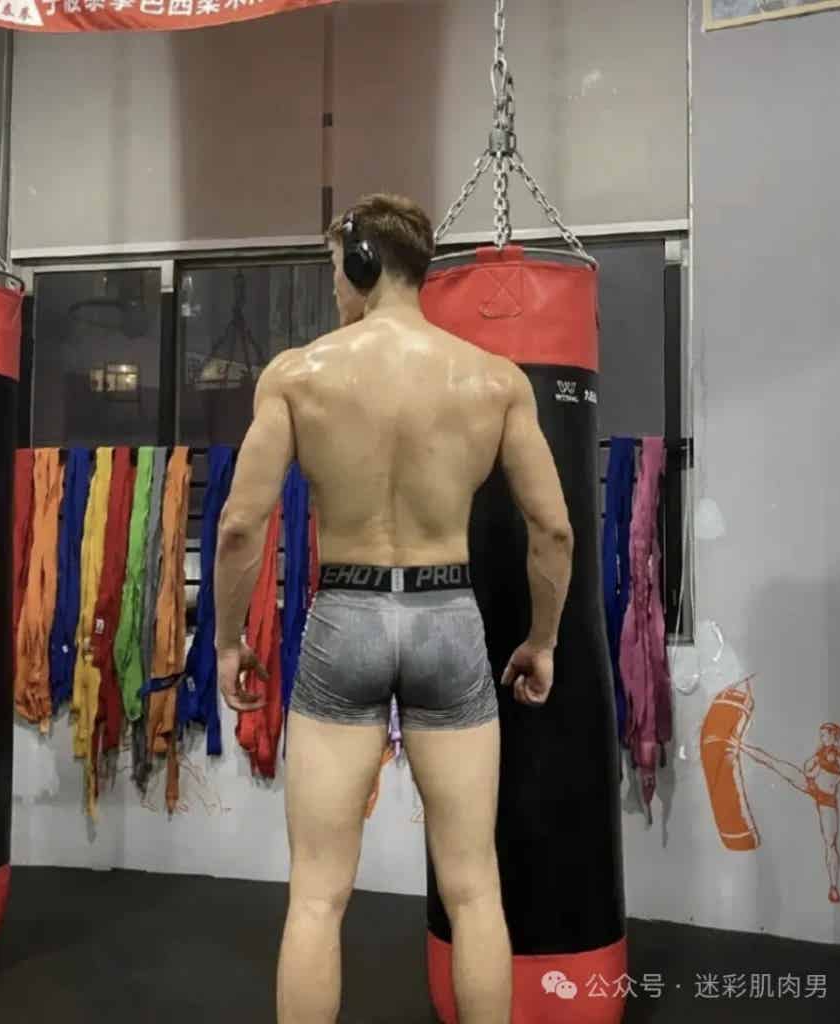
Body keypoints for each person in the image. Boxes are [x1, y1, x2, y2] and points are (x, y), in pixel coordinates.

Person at [214, 193, 574, 1024]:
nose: (334, 287)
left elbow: (238, 526)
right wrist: (544, 640)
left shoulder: (299, 375)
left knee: (317, 895)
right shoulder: (496, 381)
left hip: (348, 614)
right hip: (449, 617)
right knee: (474, 889)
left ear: (362, 264)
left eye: (336, 269)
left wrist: (229, 641)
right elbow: (554, 529)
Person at [738, 722, 840, 904]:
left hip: (827, 799)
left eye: (824, 735)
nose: (821, 739)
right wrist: (817, 763)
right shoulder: (821, 751)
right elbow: (808, 771)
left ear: (834, 735)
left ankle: (833, 886)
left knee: (830, 843)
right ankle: (741, 746)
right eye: (821, 736)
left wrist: (837, 759)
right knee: (776, 764)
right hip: (812, 786)